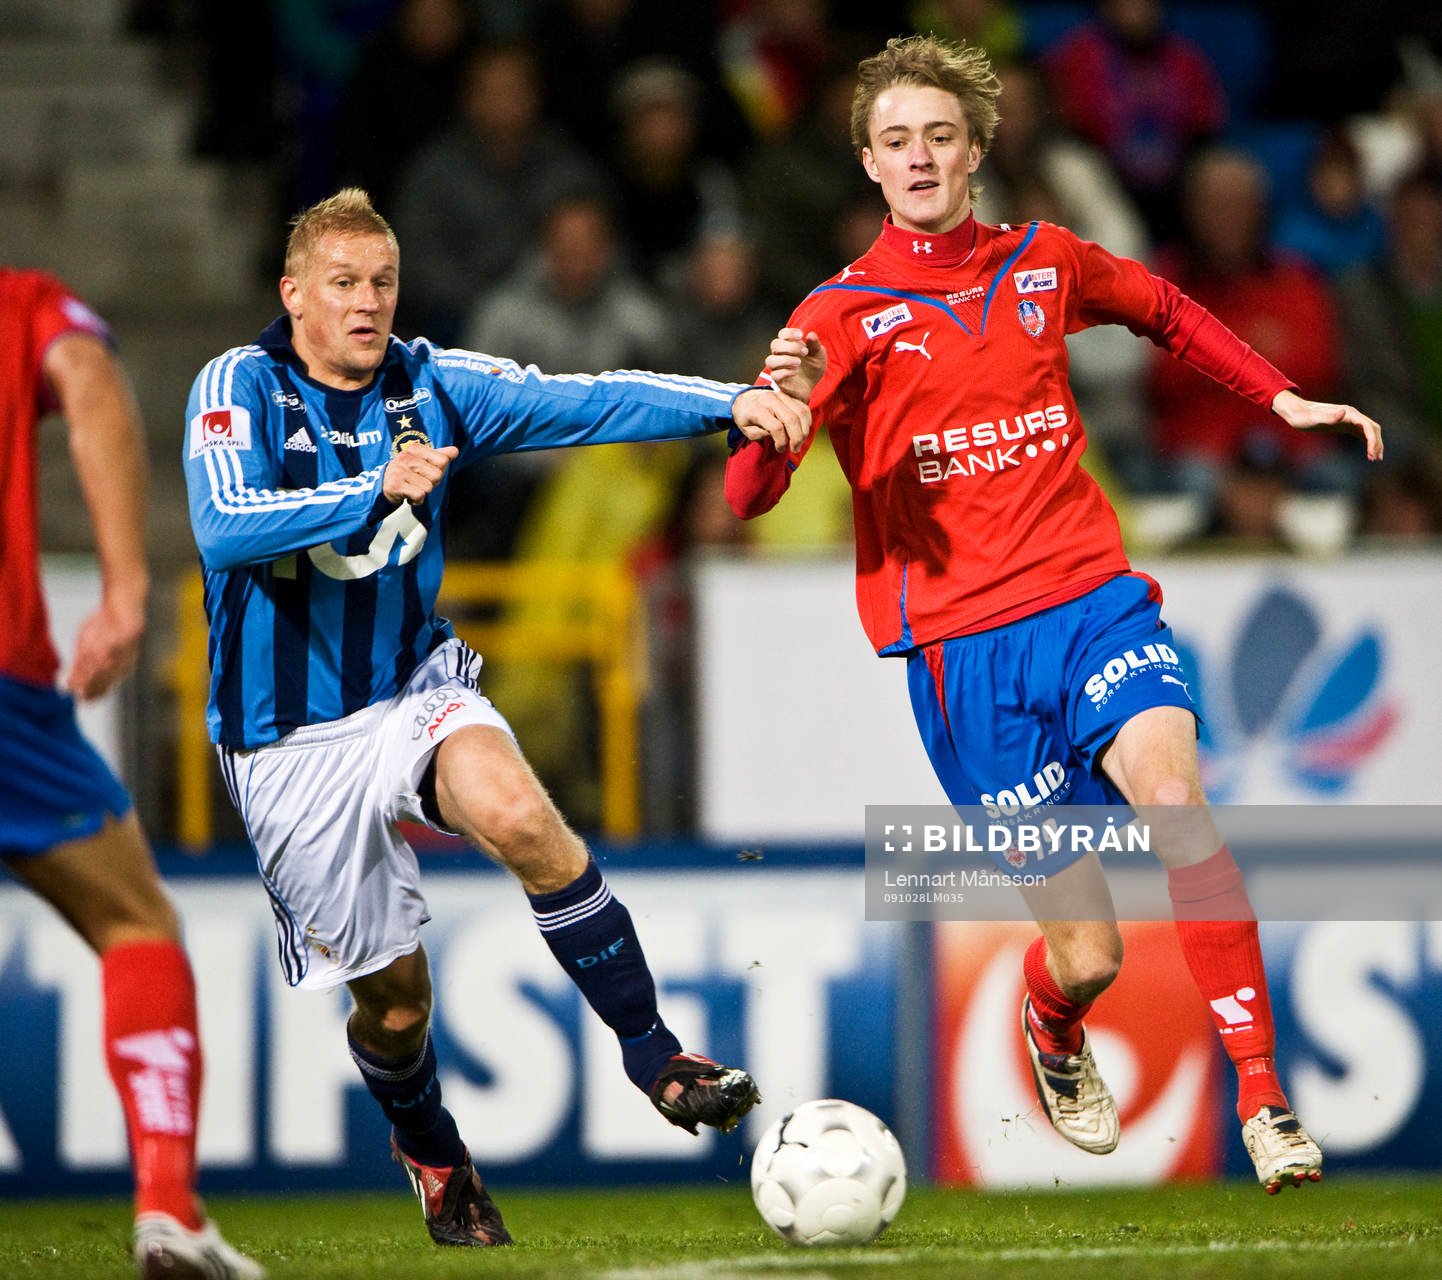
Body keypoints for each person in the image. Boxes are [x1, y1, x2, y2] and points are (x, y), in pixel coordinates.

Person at [727, 35, 1384, 1194]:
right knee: (1087, 951)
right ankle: (1050, 1015)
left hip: (1089, 599)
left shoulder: (1044, 258)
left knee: (1179, 804)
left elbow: (1167, 310)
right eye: (894, 141)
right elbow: (748, 490)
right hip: (962, 659)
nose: (919, 156)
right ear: (868, 166)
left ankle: (1263, 1098)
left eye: (939, 134)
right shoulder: (835, 317)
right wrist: (765, 433)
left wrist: (1278, 394)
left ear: (977, 147)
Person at [181, 188, 808, 1248]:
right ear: (293, 295)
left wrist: (729, 402)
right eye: (341, 283)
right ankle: (429, 1145)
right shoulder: (236, 385)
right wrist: (368, 490)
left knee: (516, 810)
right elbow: (220, 523)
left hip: (409, 686)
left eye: (381, 281)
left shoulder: (430, 384)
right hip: (284, 739)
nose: (367, 302)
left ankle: (655, 1053)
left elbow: (586, 397)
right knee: (394, 1006)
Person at [0, 268, 262, 1278]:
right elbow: (88, 375)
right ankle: (165, 1202)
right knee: (135, 920)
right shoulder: (21, 303)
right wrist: (124, 583)